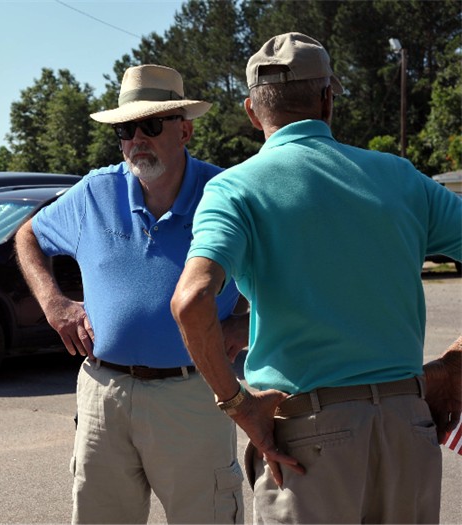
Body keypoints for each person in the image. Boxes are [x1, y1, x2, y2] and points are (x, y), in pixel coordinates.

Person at [170, 32, 462, 523]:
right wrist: (456, 362)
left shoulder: (234, 189)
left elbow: (192, 300)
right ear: (328, 98)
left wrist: (238, 404)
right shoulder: (400, 177)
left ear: (251, 111)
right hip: (407, 425)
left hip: (309, 439)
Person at [15, 64, 248, 524]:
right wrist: (54, 303)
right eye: (126, 127)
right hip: (104, 393)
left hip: (195, 395)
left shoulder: (226, 194)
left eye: (151, 124)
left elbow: (285, 270)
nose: (137, 137)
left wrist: (249, 323)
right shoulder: (94, 192)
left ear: (185, 130)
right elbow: (28, 236)